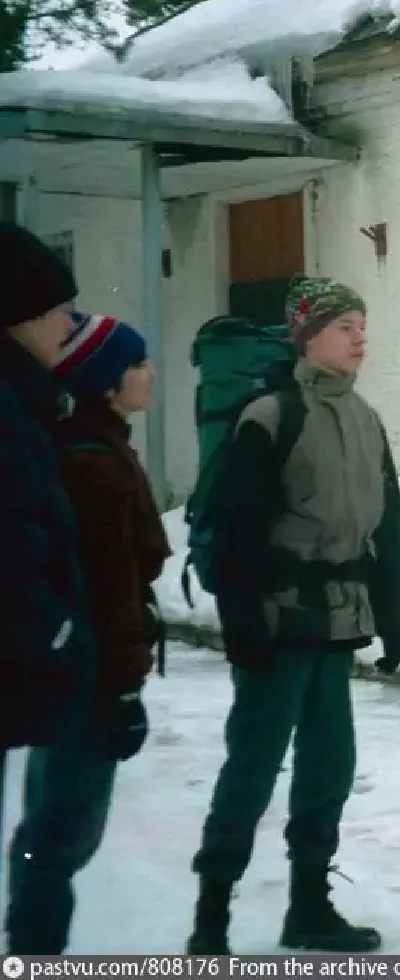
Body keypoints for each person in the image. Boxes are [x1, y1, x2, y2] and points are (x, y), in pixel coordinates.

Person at [186, 274, 400, 955]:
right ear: (309, 336)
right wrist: (243, 627)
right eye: (346, 327)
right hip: (278, 622)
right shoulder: (271, 415)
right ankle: (211, 917)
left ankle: (309, 908)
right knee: (253, 768)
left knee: (329, 767)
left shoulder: (364, 416)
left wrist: (395, 611)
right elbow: (234, 531)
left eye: (362, 326)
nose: (360, 337)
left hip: (337, 622)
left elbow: (390, 524)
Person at [5, 312, 170, 954]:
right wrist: (121, 690)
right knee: (60, 836)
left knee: (53, 832)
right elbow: (109, 595)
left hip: (80, 672)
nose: (149, 375)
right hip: (88, 678)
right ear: (106, 381)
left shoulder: (101, 448)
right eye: (136, 365)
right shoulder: (93, 467)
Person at [0, 223, 95, 912]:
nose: (68, 323)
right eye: (56, 309)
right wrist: (53, 631)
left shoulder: (24, 403)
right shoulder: (7, 411)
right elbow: (14, 541)